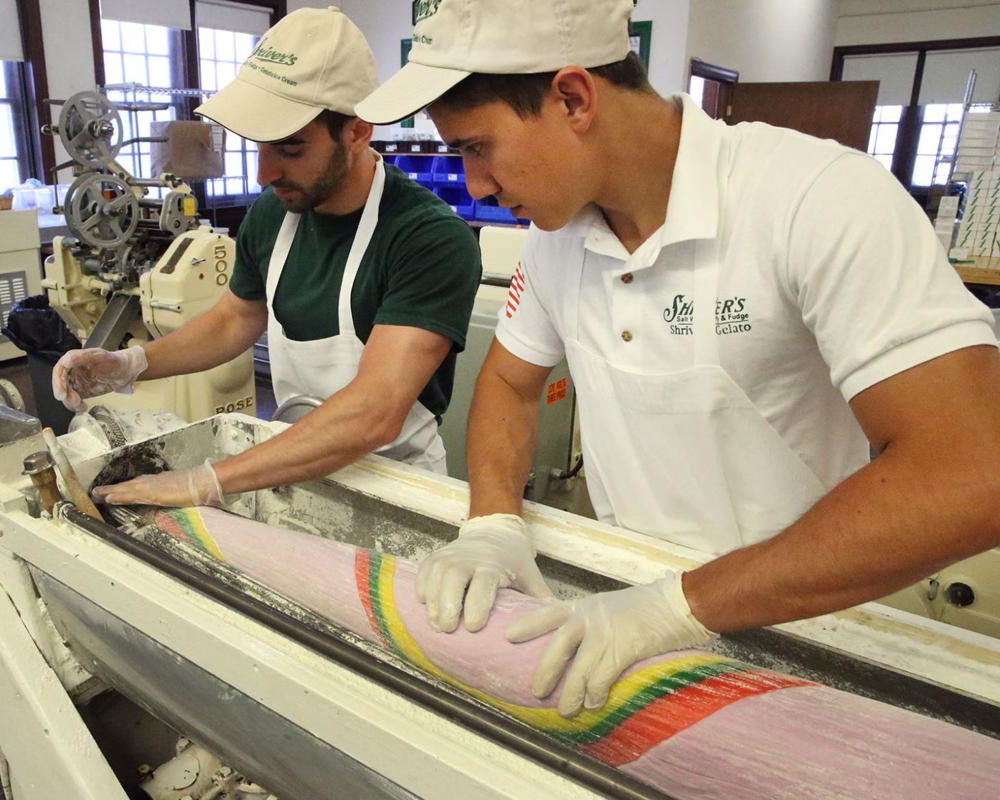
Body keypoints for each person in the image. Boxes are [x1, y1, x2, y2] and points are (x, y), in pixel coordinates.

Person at [356, 0, 1000, 718]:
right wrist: (492, 524)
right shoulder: (558, 235)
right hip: (632, 610)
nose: (473, 186)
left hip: (821, 627)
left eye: (478, 147)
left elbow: (970, 474)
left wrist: (679, 607)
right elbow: (509, 381)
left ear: (573, 98)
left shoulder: (815, 199)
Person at [53, 6, 480, 506]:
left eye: (292, 149)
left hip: (398, 486)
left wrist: (206, 481)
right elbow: (234, 319)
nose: (264, 174)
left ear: (357, 131)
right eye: (258, 148)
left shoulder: (427, 238)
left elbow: (373, 412)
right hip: (290, 468)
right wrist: (131, 363)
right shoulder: (273, 217)